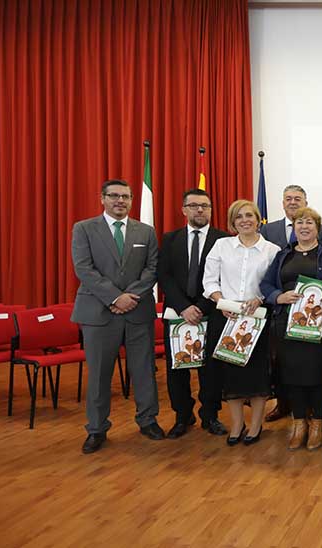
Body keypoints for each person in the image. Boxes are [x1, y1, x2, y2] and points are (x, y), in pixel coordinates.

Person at [72, 180, 162, 454]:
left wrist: (129, 297)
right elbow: (83, 268)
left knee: (144, 370)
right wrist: (114, 297)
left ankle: (148, 420)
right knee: (99, 374)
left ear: (132, 200)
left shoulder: (146, 232)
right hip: (99, 313)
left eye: (125, 196)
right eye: (114, 196)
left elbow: (152, 268)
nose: (120, 201)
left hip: (137, 311)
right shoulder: (84, 229)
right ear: (102, 198)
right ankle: (97, 429)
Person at [202, 200, 281, 446]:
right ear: (232, 222)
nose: (245, 220)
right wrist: (223, 303)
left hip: (258, 320)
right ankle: (237, 424)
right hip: (226, 318)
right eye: (239, 217)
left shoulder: (272, 250)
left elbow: (275, 285)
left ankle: (256, 424)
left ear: (258, 219)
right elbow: (209, 282)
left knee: (258, 375)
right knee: (230, 375)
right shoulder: (221, 245)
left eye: (249, 215)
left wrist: (259, 299)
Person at [261, 207, 322, 451]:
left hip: (318, 324)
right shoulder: (283, 255)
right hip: (288, 324)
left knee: (317, 374)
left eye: (309, 223)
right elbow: (265, 284)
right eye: (300, 223)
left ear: (318, 227)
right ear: (293, 228)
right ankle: (298, 424)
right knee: (291, 375)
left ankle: (317, 423)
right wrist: (278, 296)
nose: (304, 227)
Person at [157, 189, 229, 438]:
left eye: (206, 206)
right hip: (177, 314)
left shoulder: (224, 240)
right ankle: (182, 415)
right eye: (195, 205)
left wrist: (200, 306)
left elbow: (222, 279)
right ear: (184, 209)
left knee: (210, 369)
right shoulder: (170, 239)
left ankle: (210, 415)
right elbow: (164, 275)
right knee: (177, 369)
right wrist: (183, 307)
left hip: (209, 312)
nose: (200, 210)